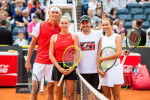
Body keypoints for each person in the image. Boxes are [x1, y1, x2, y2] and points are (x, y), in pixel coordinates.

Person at [25, 6, 61, 100]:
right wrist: (28, 60)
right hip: (39, 62)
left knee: (50, 88)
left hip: (53, 63)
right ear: (49, 14)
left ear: (59, 14)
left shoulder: (61, 27)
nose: (55, 14)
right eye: (53, 12)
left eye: (56, 12)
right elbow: (32, 43)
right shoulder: (40, 25)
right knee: (34, 88)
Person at [49, 16, 79, 100]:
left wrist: (72, 67)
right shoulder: (54, 37)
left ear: (69, 24)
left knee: (70, 95)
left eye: (66, 23)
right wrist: (59, 68)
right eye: (62, 23)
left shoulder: (74, 37)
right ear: (59, 24)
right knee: (58, 95)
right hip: (57, 67)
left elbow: (76, 53)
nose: (64, 25)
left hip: (70, 66)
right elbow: (50, 55)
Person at [97, 18, 124, 100]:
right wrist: (98, 69)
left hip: (115, 69)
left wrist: (103, 58)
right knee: (106, 96)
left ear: (112, 25)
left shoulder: (117, 37)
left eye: (107, 24)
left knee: (116, 96)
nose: (105, 27)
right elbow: (98, 56)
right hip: (104, 70)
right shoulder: (102, 39)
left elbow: (118, 54)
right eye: (103, 25)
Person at [76, 15, 103, 91]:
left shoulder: (98, 34)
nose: (85, 25)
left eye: (87, 23)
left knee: (96, 96)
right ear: (80, 25)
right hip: (81, 71)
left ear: (90, 23)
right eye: (83, 23)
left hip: (95, 71)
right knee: (83, 96)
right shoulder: (76, 35)